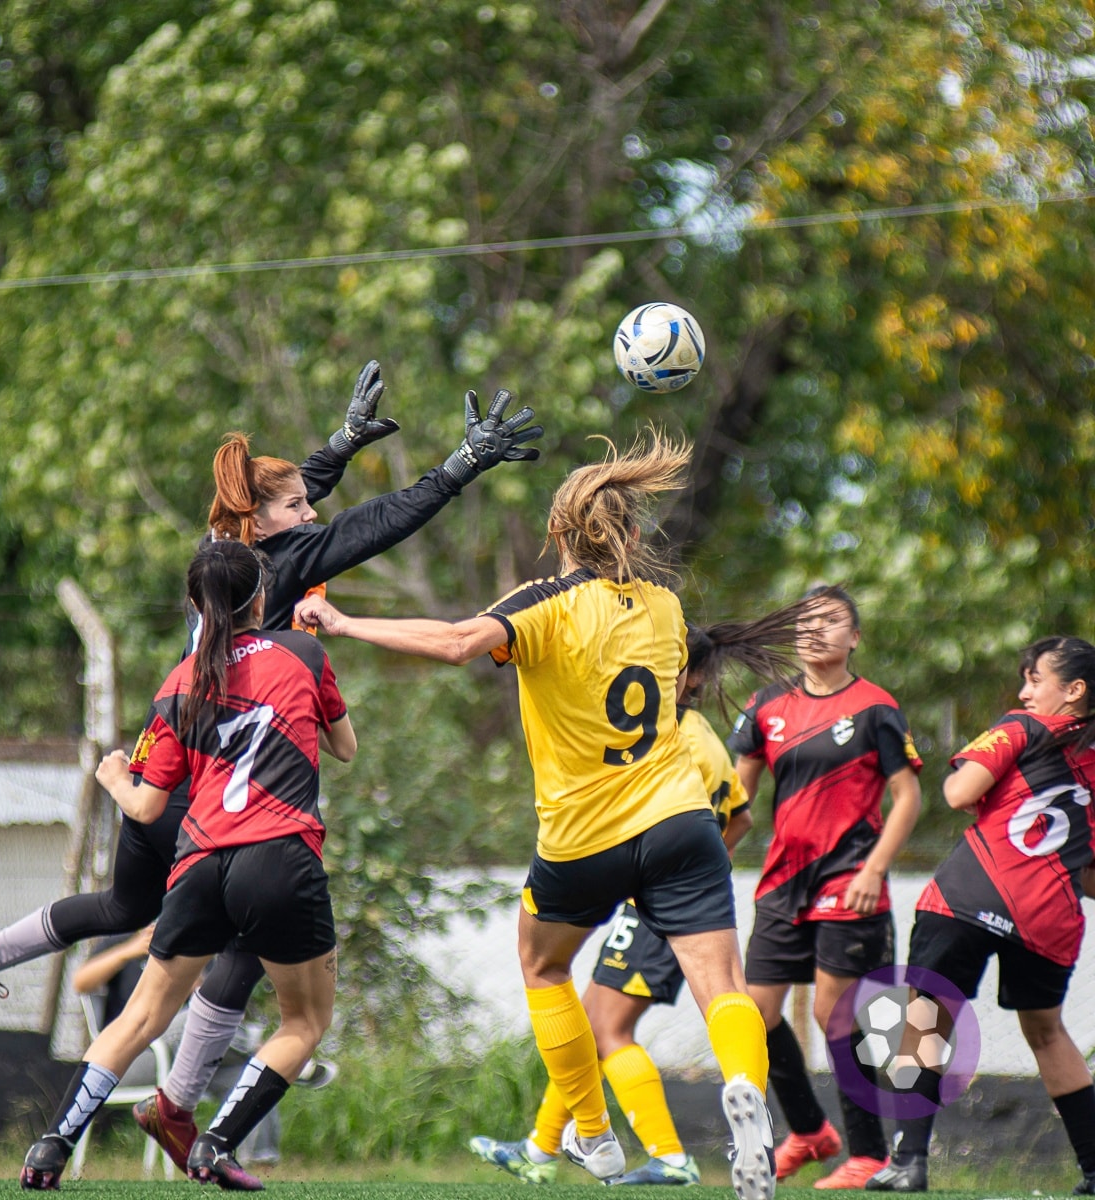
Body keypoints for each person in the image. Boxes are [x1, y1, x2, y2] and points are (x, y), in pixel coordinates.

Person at [0, 369, 542, 1168]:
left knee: (125, 904)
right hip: (223, 796)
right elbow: (379, 525)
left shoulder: (217, 556)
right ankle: (180, 1107)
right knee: (253, 934)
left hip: (171, 761)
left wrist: (340, 446)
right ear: (266, 522)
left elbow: (285, 506)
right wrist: (464, 462)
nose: (311, 511)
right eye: (297, 507)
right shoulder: (277, 583)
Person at [292, 429, 779, 1200]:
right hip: (682, 820)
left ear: (559, 530)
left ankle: (591, 1132)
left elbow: (457, 642)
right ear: (629, 532)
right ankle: (745, 1094)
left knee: (543, 963)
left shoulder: (545, 602)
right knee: (723, 985)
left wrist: (347, 626)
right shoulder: (665, 605)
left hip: (584, 835)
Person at [20, 537, 357, 1190]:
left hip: (199, 864)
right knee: (305, 1022)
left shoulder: (180, 681)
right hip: (277, 857)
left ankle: (52, 1144)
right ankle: (216, 1143)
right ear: (261, 596)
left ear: (195, 605)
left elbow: (146, 806)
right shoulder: (304, 653)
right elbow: (343, 747)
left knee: (141, 1015)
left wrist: (116, 774)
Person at [468, 612, 811, 1186]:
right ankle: (543, 1145)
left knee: (604, 1026)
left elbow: (730, 815)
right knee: (598, 1019)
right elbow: (732, 814)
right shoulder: (670, 729)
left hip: (663, 891)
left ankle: (667, 1156)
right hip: (663, 881)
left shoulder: (677, 735)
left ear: (688, 675)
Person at [866, 636, 1095, 1195]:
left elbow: (956, 790)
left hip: (971, 897)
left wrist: (980, 795)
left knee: (922, 1015)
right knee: (1046, 1033)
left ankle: (909, 1161)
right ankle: (1094, 1170)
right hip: (1051, 915)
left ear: (1074, 690)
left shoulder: (1022, 726)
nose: (1024, 691)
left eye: (1035, 679)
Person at [725, 584, 923, 1190]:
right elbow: (736, 801)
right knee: (754, 1016)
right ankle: (810, 1133)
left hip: (850, 882)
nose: (816, 630)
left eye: (832, 621)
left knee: (835, 1016)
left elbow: (908, 797)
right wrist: (703, 859)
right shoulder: (766, 707)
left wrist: (873, 871)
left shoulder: (875, 708)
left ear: (853, 638)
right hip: (781, 884)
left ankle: (865, 1154)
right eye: (806, 621)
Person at [71, 926, 331, 1166]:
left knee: (253, 1074)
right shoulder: (124, 938)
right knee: (195, 1018)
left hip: (185, 1062)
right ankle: (283, 1055)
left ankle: (261, 1166)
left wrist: (191, 975)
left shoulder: (192, 946)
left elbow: (218, 1004)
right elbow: (81, 982)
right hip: (130, 1060)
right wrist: (131, 950)